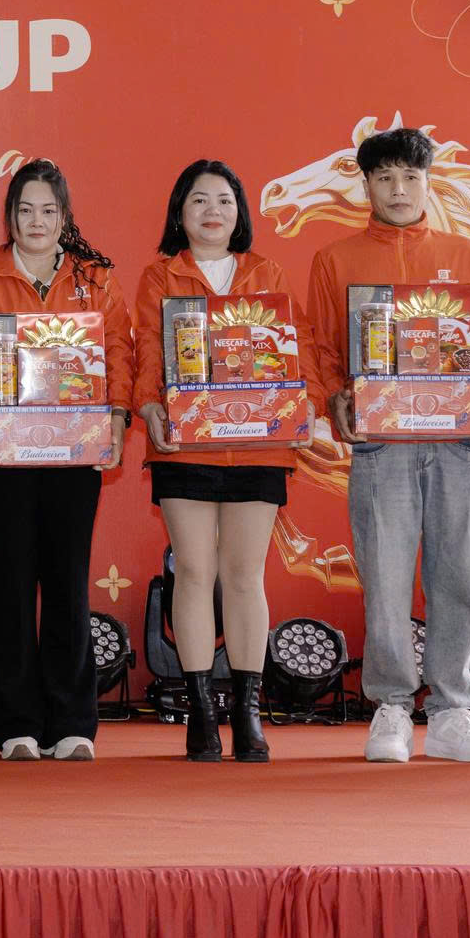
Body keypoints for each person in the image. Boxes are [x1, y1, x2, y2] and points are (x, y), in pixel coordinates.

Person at [303, 126, 470, 765]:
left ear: (428, 182)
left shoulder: (465, 255)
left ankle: (451, 709)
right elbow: (321, 346)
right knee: (385, 578)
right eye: (385, 178)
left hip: (456, 442)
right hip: (379, 445)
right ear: (365, 184)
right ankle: (390, 705)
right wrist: (334, 398)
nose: (398, 190)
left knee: (455, 575)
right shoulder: (336, 260)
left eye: (410, 177)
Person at [0, 160, 130, 762]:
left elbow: (118, 350)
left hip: (76, 452)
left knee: (68, 583)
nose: (37, 221)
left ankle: (73, 721)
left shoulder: (95, 277)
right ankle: (17, 723)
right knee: (13, 584)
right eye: (25, 210)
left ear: (65, 216)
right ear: (9, 216)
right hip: (4, 453)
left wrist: (118, 416)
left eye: (49, 210)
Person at [133, 161, 296, 764]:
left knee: (245, 575)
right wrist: (148, 404)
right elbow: (147, 351)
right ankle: (200, 712)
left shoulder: (267, 273)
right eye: (198, 200)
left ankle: (248, 713)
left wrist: (297, 402)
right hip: (185, 443)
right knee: (195, 573)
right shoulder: (159, 276)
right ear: (180, 213)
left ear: (240, 213)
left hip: (257, 442)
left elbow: (291, 347)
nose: (212, 211)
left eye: (224, 200)